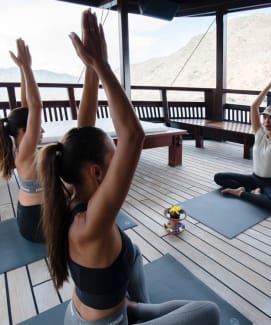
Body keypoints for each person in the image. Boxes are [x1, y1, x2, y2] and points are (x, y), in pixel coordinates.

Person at [38, 9, 219, 325]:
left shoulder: (70, 196)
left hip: (111, 309)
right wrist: (103, 65)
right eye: (113, 155)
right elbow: (132, 136)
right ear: (96, 172)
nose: (117, 157)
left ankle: (136, 309)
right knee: (209, 313)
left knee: (132, 251)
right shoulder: (91, 223)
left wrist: (92, 70)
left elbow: (84, 132)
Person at [214, 64, 271, 211]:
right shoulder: (260, 133)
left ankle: (241, 193)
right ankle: (254, 192)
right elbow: (253, 106)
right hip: (254, 178)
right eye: (265, 117)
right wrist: (270, 83)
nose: (266, 121)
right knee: (219, 177)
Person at [0, 38, 44, 242]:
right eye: (37, 126)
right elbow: (35, 107)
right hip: (36, 223)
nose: (41, 130)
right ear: (25, 130)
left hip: (30, 213)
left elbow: (27, 105)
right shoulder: (25, 150)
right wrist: (27, 67)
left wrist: (23, 70)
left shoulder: (19, 145)